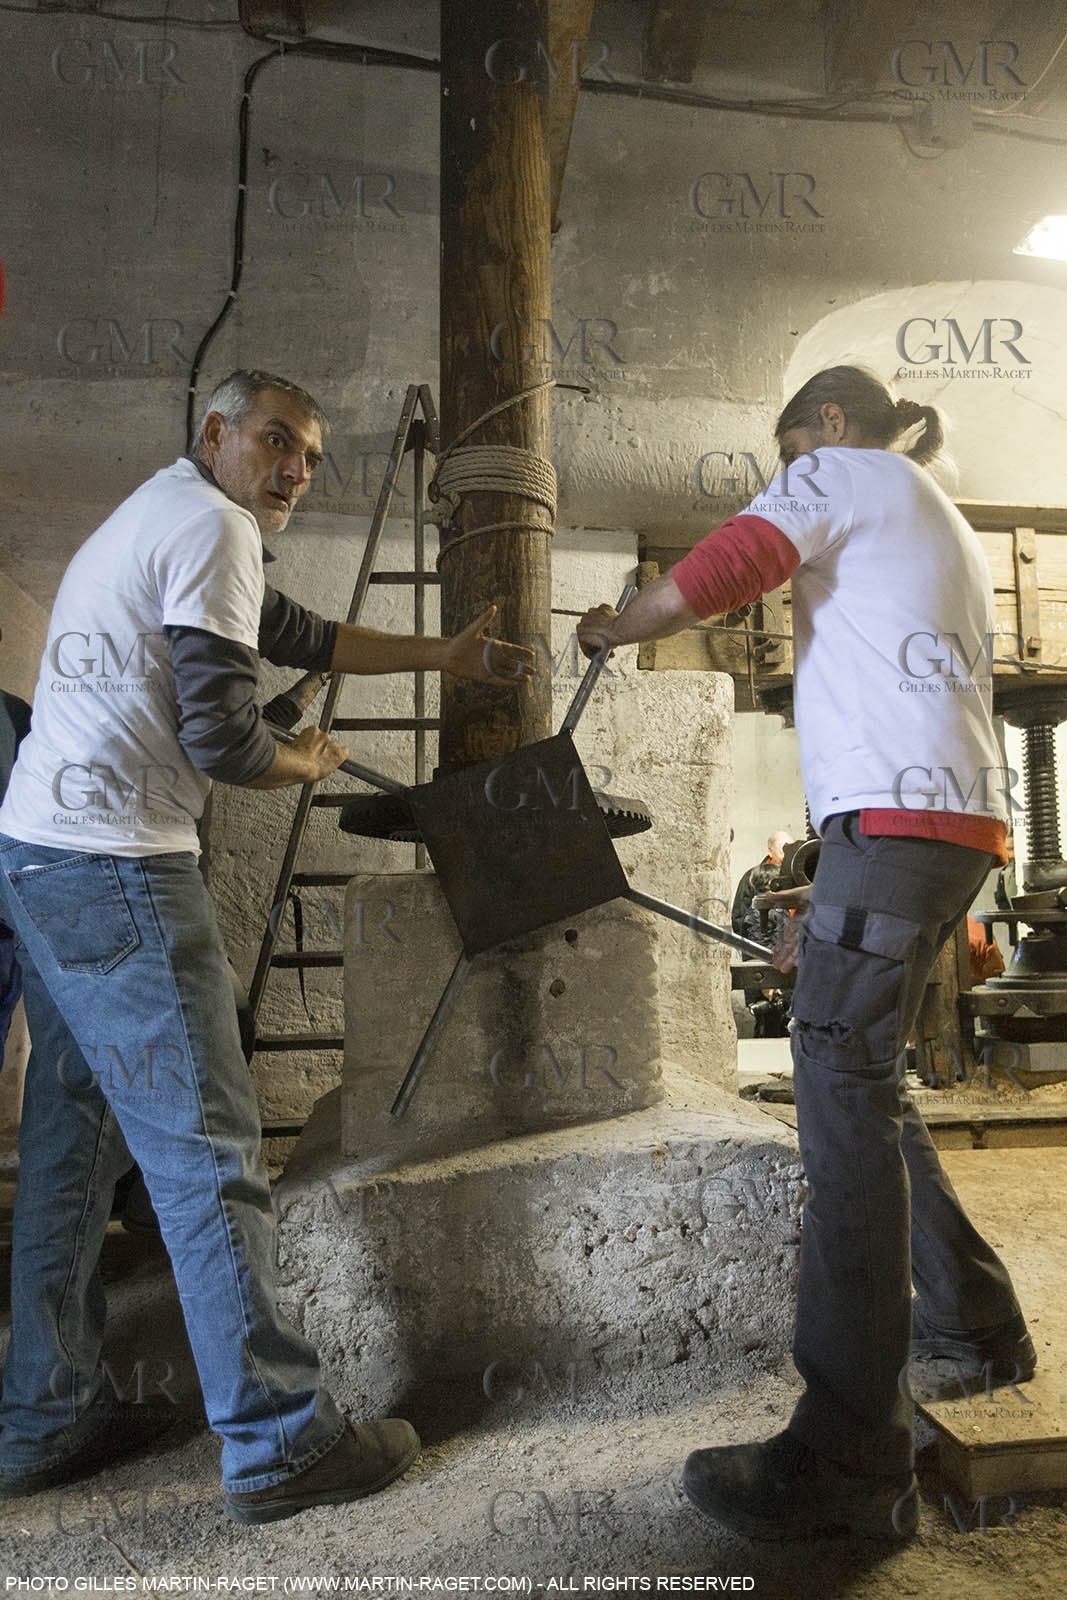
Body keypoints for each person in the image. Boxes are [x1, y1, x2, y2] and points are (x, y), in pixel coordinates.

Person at [0, 369, 535, 1524]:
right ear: (217, 434)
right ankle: (280, 1437)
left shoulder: (161, 510)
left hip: (40, 857)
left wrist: (440, 658)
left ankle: (41, 1416)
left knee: (74, 1138)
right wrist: (310, 761)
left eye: (311, 454)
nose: (296, 467)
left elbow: (298, 633)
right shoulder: (215, 524)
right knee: (206, 1153)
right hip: (120, 870)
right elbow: (225, 740)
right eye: (278, 441)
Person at [578, 365, 1034, 1542]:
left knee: (832, 1092)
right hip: (934, 825)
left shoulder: (844, 472)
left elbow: (724, 565)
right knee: (860, 1077)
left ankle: (844, 1455)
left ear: (827, 425)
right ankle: (975, 1324)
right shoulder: (923, 508)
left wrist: (618, 622)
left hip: (895, 822)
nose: (788, 475)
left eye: (789, 451)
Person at [731, 830, 795, 1036]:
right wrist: (764, 978)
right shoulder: (755, 880)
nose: (788, 855)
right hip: (766, 967)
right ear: (770, 850)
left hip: (786, 964)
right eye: (784, 850)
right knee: (770, 1023)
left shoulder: (795, 877)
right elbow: (743, 925)